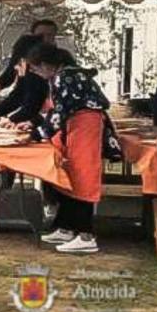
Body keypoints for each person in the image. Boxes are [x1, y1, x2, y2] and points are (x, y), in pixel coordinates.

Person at [24, 45, 109, 255]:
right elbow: (56, 110)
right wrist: (36, 125)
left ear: (45, 65)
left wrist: (37, 134)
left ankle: (86, 235)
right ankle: (67, 227)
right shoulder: (66, 75)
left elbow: (59, 113)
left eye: (36, 69)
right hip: (75, 126)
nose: (36, 73)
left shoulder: (65, 78)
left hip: (84, 126)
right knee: (68, 175)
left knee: (83, 177)